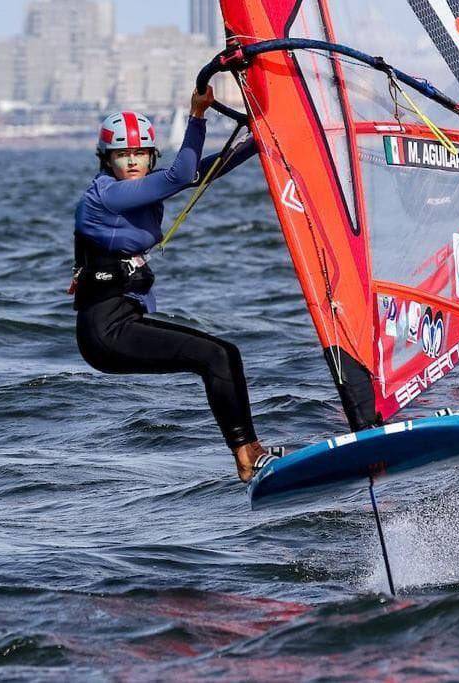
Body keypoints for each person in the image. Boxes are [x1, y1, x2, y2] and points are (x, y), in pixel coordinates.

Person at [71, 87, 280, 482]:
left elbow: (199, 173)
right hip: (106, 331)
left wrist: (260, 139)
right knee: (216, 357)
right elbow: (183, 173)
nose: (131, 162)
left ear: (151, 156)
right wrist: (198, 115)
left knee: (225, 354)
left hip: (119, 322)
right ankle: (246, 458)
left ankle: (252, 450)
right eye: (121, 155)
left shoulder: (137, 189)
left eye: (138, 154)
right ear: (107, 159)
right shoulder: (108, 194)